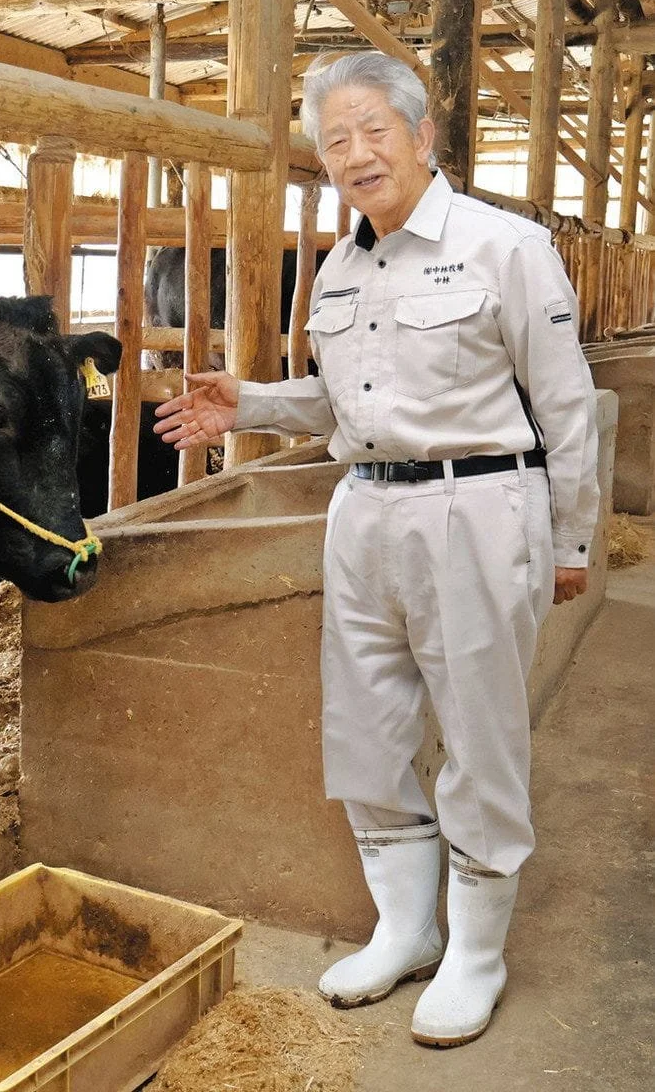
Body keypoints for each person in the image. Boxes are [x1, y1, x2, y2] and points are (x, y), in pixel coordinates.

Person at [153, 51, 599, 1048]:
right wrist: (254, 403)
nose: (355, 154)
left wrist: (572, 536)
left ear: (422, 134)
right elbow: (348, 405)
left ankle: (476, 953)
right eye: (334, 139)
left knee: (480, 736)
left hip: (476, 508)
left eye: (372, 130)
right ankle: (405, 929)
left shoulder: (508, 248)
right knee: (367, 728)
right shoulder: (343, 266)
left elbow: (569, 410)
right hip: (364, 511)